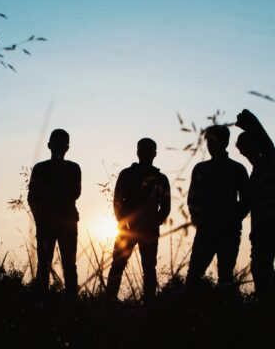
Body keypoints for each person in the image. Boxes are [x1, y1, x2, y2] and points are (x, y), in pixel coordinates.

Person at [106, 138, 171, 303]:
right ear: (138, 152)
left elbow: (165, 207)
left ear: (154, 154)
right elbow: (117, 202)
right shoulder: (127, 174)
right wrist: (123, 222)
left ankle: (149, 302)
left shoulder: (160, 178)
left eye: (149, 150)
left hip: (146, 229)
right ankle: (110, 300)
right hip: (127, 229)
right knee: (118, 265)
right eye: (143, 150)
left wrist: (154, 222)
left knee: (148, 268)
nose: (146, 154)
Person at [186, 125, 249, 287]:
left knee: (226, 278)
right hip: (205, 230)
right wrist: (197, 218)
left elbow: (246, 201)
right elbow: (192, 198)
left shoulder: (237, 170)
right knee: (193, 275)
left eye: (213, 141)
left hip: (228, 231)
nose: (210, 145)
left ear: (225, 142)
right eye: (208, 141)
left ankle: (224, 310)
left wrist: (232, 220)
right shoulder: (200, 169)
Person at [28, 129, 81, 298]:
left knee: (69, 266)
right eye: (57, 144)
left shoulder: (73, 168)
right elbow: (33, 197)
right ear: (50, 145)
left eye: (62, 144)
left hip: (66, 223)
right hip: (47, 223)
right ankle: (42, 302)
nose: (59, 148)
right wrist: (39, 219)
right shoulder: (40, 168)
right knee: (44, 265)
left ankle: (71, 303)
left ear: (67, 147)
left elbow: (75, 193)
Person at [235, 109, 275, 305]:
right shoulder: (253, 176)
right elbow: (247, 209)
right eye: (242, 149)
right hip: (260, 233)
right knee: (260, 269)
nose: (244, 152)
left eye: (246, 147)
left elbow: (269, 147)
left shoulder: (269, 164)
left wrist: (253, 124)